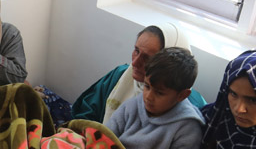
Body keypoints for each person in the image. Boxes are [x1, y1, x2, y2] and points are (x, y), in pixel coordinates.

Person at [72, 23, 206, 124]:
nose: (135, 63)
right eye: (136, 51)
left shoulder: (190, 106)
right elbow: (85, 113)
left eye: (147, 58)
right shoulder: (120, 75)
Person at [105, 47, 204, 149]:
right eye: (147, 86)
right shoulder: (131, 106)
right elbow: (104, 138)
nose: (148, 97)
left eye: (159, 93)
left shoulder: (188, 128)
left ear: (182, 95)